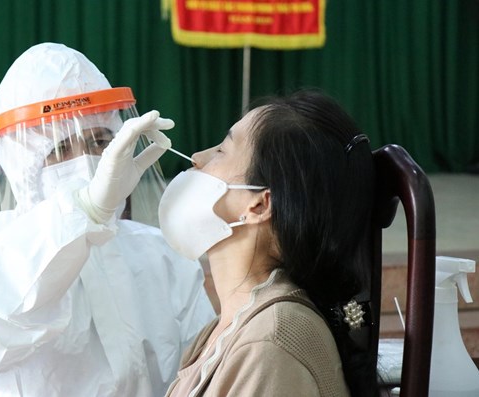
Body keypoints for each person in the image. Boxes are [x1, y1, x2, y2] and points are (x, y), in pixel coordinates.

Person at [0, 42, 215, 397]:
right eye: (60, 149)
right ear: (20, 163)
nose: (86, 163)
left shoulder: (163, 257)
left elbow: (205, 371)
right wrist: (81, 213)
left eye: (99, 142)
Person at [158, 89, 377, 396]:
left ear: (259, 205)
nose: (197, 158)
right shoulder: (231, 325)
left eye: (221, 150)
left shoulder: (271, 344)